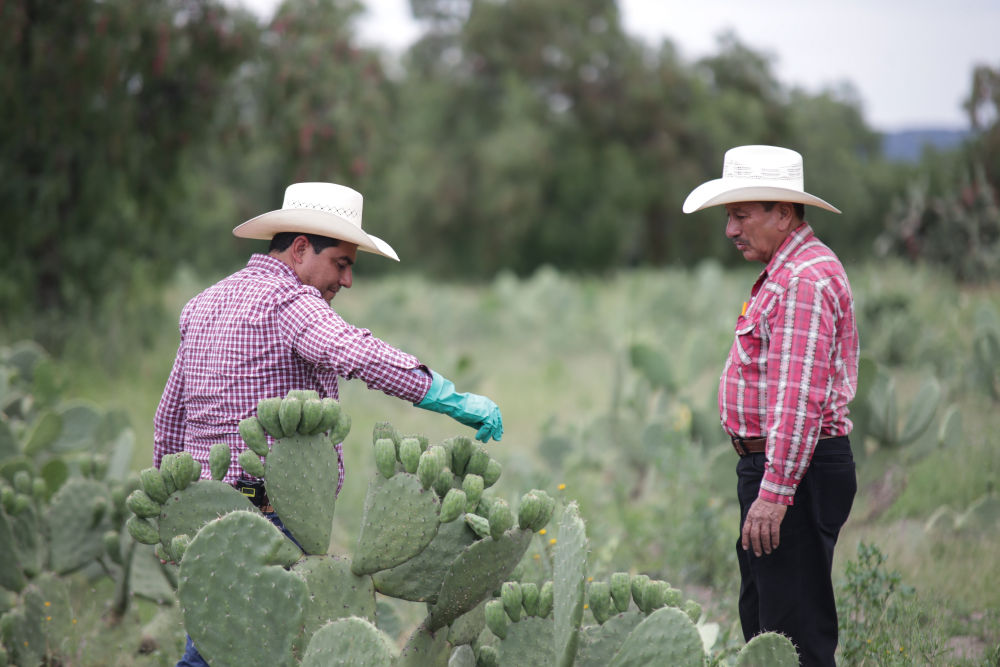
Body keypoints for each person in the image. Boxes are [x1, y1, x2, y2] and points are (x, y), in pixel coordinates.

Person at [153, 181, 503, 667]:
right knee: (263, 651)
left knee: (222, 644)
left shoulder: (203, 303)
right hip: (268, 511)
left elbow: (171, 414)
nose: (348, 280)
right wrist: (448, 397)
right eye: (341, 263)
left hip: (206, 519)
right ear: (300, 249)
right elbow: (352, 351)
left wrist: (173, 512)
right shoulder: (290, 303)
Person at [682, 145, 859, 666]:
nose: (732, 231)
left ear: (783, 213)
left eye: (741, 215)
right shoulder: (789, 271)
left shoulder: (802, 279)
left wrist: (775, 490)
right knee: (769, 626)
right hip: (781, 468)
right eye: (729, 217)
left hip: (791, 473)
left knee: (792, 638)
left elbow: (798, 397)